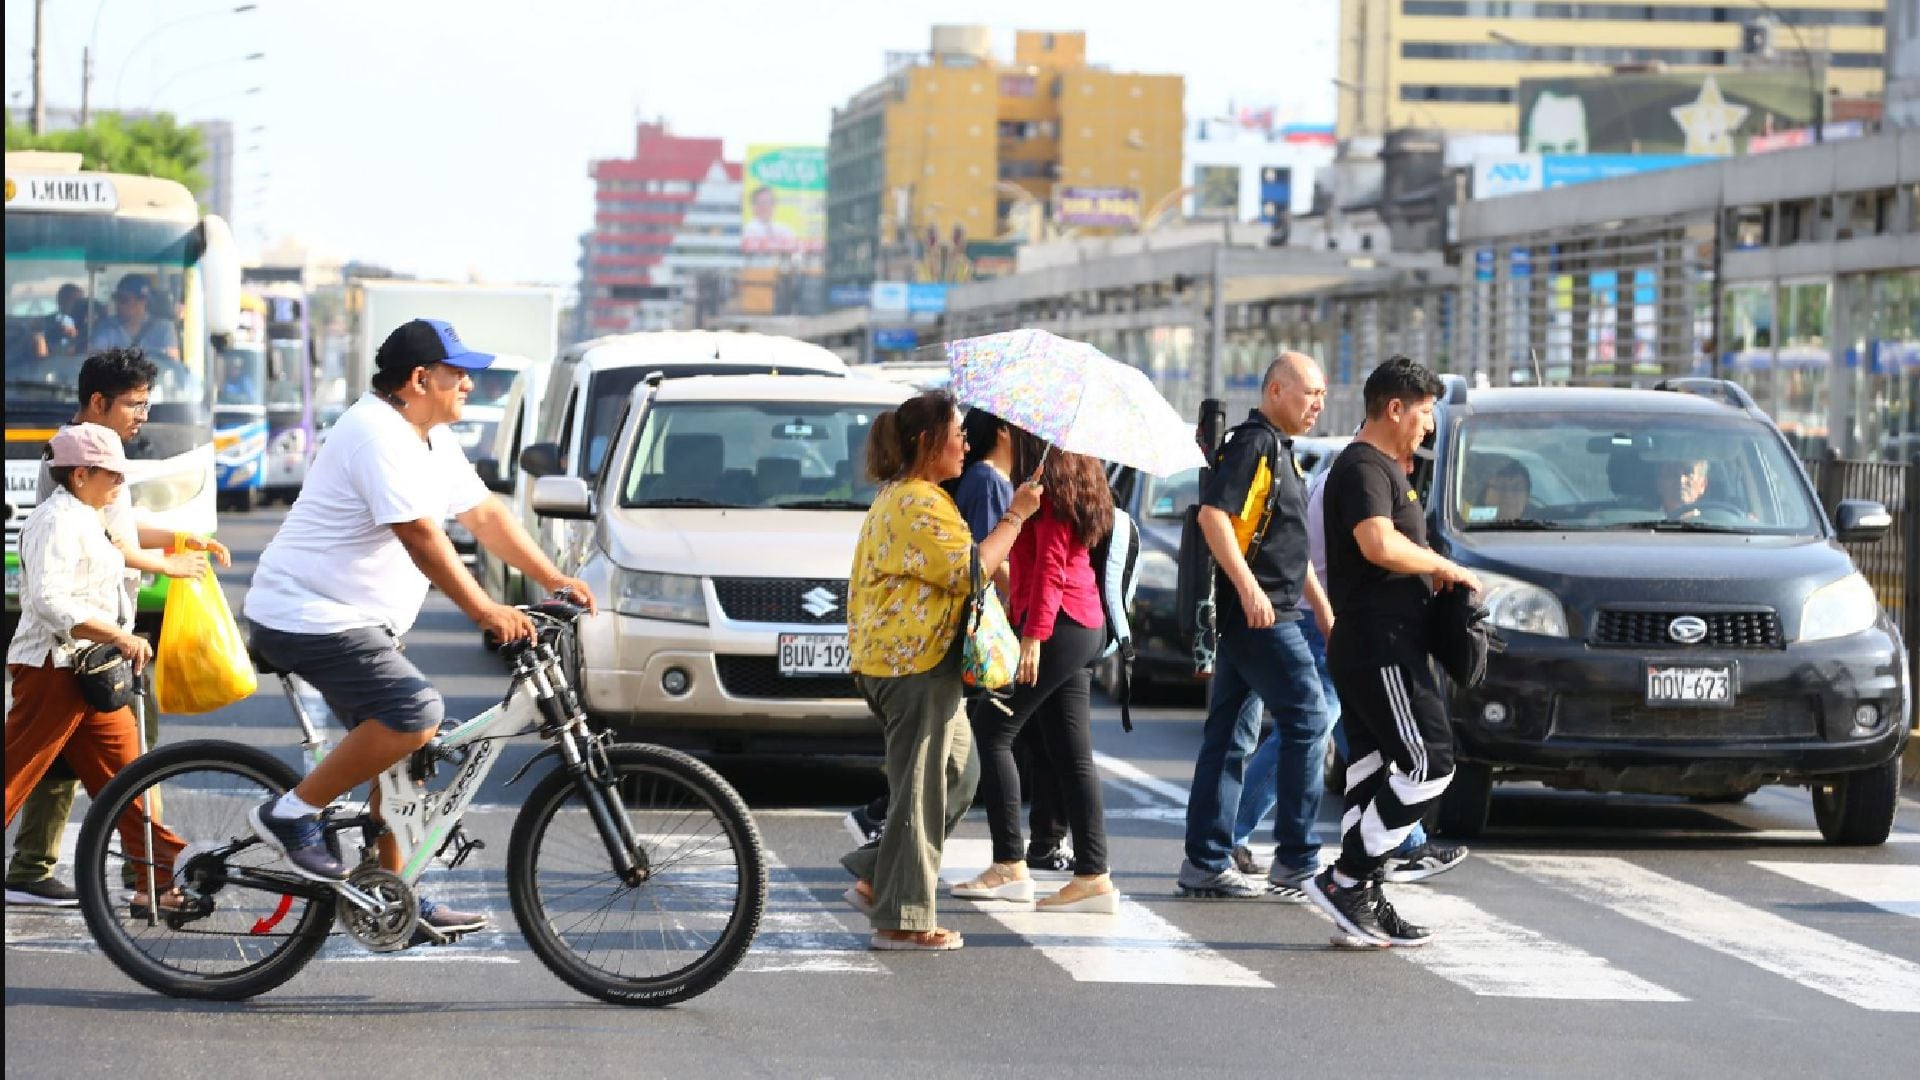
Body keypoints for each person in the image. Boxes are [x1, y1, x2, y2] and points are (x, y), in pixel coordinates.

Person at [241, 318, 598, 944]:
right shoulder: (375, 432)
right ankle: (292, 812)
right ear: (418, 379)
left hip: (358, 620)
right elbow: (420, 535)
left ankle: (392, 898)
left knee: (404, 769)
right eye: (456, 372)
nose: (468, 382)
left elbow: (482, 513)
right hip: (308, 615)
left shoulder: (425, 435)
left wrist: (552, 579)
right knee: (413, 713)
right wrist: (487, 610)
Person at [5, 348, 229, 908]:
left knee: (131, 777)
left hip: (95, 664)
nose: (143, 416)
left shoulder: (98, 471)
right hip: (58, 664)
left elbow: (123, 531)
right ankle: (49, 868)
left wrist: (180, 541)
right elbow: (58, 592)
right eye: (134, 404)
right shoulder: (63, 499)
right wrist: (123, 629)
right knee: (18, 775)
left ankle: (156, 881)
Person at [839, 390, 1041, 951]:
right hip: (912, 668)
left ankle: (877, 874)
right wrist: (1016, 517)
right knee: (924, 789)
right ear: (928, 442)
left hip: (917, 664)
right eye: (957, 431)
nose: (966, 442)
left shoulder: (915, 496)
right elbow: (972, 570)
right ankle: (901, 921)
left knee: (958, 776)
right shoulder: (916, 504)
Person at [1306, 355, 1482, 948]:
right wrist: (1445, 566)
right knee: (1431, 761)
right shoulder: (1361, 467)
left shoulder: (1384, 468)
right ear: (1395, 408)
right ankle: (1348, 878)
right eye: (1426, 412)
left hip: (1380, 643)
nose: (1428, 426)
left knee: (1370, 774)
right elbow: (1376, 543)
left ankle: (1362, 904)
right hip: (1381, 647)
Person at [1233, 459, 1468, 886]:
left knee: (1355, 737)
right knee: (1308, 728)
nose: (1410, 464)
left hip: (1332, 623)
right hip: (1327, 623)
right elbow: (1358, 550)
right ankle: (1235, 828)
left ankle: (1406, 841)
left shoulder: (1346, 480)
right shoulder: (1356, 482)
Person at [1176, 352, 1335, 900]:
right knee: (1309, 718)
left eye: (1321, 393)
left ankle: (1205, 862)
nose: (1318, 402)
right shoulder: (1255, 443)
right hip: (1261, 614)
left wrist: (1323, 609)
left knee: (1229, 738)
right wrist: (1248, 589)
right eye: (1309, 391)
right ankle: (1296, 858)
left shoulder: (1282, 451)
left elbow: (1289, 549)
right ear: (1275, 392)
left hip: (1271, 609)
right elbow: (1212, 517)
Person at [951, 431, 1117, 913]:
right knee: (1072, 753)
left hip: (1058, 625)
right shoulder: (1079, 478)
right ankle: (1093, 874)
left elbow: (1050, 565)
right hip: (1081, 622)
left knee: (992, 731)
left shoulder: (1047, 483)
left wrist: (1032, 637)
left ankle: (1009, 865)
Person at [89, 274, 180, 362]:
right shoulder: (106, 327)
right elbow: (94, 360)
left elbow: (172, 364)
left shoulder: (164, 329)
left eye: (123, 299)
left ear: (142, 302)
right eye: (116, 299)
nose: (118, 304)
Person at [742, 186, 797, 252]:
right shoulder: (748, 230)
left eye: (769, 202)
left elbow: (793, 247)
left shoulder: (784, 228)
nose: (766, 206)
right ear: (753, 206)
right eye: (762, 202)